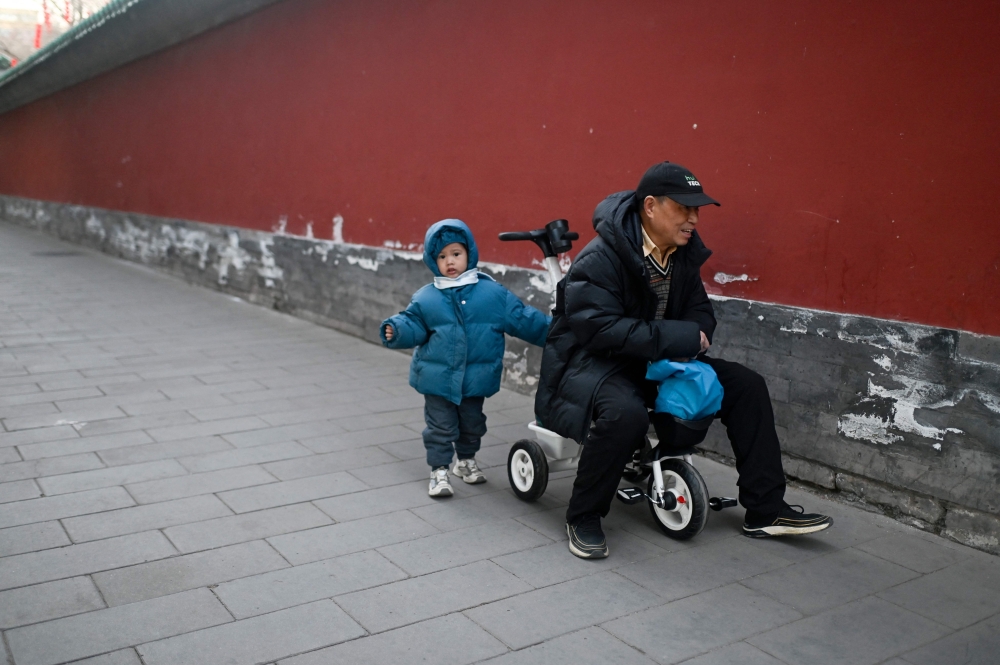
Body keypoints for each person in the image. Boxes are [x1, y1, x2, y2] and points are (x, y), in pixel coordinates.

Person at [535, 161, 833, 559]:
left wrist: (693, 335)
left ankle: (765, 511)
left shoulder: (681, 255)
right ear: (652, 206)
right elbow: (599, 330)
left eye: (698, 209)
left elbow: (700, 312)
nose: (694, 218)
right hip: (597, 364)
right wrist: (682, 336)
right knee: (626, 414)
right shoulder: (600, 258)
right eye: (685, 208)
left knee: (746, 386)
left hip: (657, 359)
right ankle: (583, 515)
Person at [382, 219, 551, 497]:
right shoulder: (426, 298)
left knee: (472, 424)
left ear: (469, 254)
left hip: (475, 379)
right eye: (442, 256)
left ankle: (465, 461)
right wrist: (397, 329)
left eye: (456, 254)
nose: (450, 261)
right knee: (440, 427)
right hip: (437, 380)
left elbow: (523, 319)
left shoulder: (492, 294)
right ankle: (439, 470)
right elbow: (413, 323)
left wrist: (556, 333)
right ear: (432, 260)